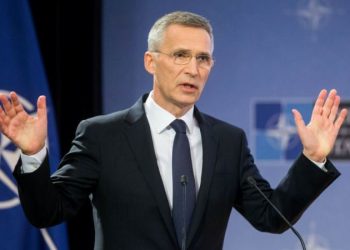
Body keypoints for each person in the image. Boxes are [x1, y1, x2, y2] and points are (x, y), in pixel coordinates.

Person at [0, 11, 348, 250]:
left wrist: (312, 158)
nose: (193, 69)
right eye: (181, 55)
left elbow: (271, 216)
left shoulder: (228, 141)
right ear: (151, 61)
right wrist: (32, 155)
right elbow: (48, 212)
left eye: (203, 58)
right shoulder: (102, 135)